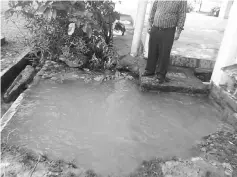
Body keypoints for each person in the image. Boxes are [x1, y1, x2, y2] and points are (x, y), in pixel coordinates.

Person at [142, 0, 187, 83]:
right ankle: (150, 70)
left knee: (164, 53)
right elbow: (154, 9)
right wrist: (149, 23)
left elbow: (182, 15)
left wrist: (178, 31)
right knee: (152, 50)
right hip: (155, 28)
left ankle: (160, 75)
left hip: (168, 30)